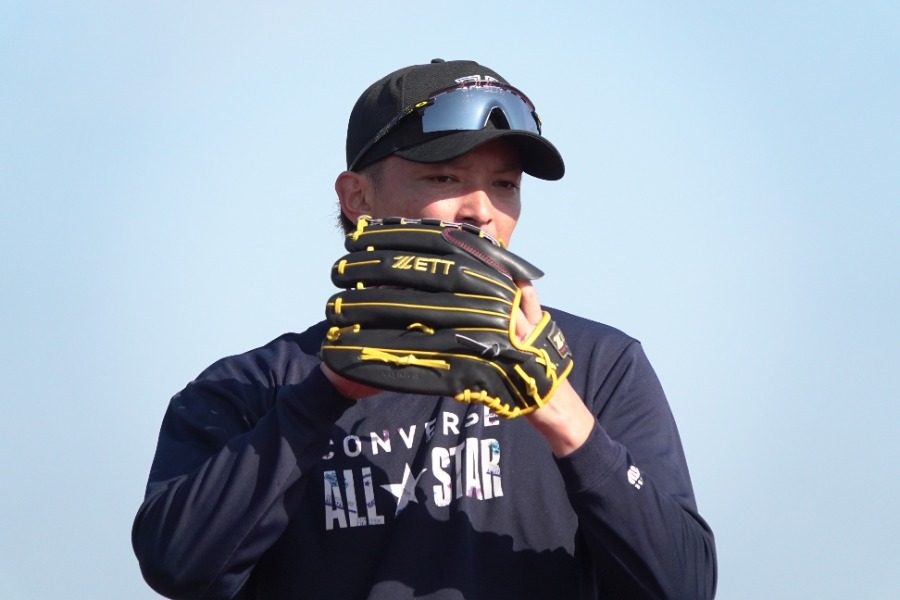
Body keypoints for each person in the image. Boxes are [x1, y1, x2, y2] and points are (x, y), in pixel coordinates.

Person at [132, 59, 717, 599]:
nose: (481, 209)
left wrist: (561, 414)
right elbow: (177, 565)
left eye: (506, 185)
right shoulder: (253, 385)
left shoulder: (599, 366)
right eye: (444, 178)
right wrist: (323, 396)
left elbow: (684, 584)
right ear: (357, 196)